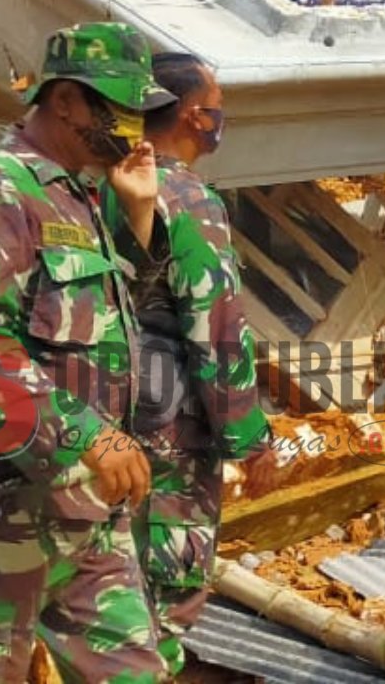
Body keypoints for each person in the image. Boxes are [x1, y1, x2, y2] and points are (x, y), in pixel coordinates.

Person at [0, 22, 177, 683]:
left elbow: (104, 323)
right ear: (64, 101)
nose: (136, 128)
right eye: (118, 109)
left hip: (86, 514)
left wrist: (138, 217)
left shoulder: (81, 193)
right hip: (1, 517)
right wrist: (88, 434)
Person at [106, 53, 271, 675]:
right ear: (195, 116)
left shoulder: (95, 185)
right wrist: (248, 439)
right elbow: (215, 329)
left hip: (92, 419)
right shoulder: (186, 198)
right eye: (216, 105)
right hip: (166, 431)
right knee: (164, 595)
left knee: (101, 589)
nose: (219, 118)